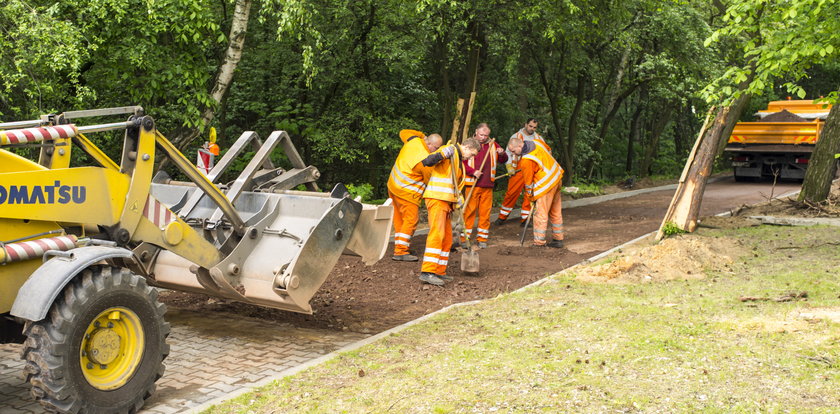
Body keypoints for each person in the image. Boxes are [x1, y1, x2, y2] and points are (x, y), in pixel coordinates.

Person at [418, 138, 480, 286]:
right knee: (437, 235)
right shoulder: (449, 151)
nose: (471, 158)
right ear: (465, 147)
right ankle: (427, 272)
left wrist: (458, 198)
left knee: (446, 238)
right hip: (437, 199)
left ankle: (439, 270)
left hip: (447, 202)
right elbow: (427, 161)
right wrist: (442, 154)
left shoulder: (458, 162)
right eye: (471, 154)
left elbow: (453, 184)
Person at [387, 130, 443, 261]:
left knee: (400, 219)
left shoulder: (414, 140)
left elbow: (403, 132)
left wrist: (421, 135)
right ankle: (401, 252)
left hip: (393, 186)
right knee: (411, 220)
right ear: (428, 143)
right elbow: (429, 181)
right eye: (436, 148)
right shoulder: (425, 161)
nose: (436, 151)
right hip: (407, 192)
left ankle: (400, 246)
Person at [507, 135, 564, 248]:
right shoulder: (537, 142)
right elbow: (549, 150)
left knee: (540, 213)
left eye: (513, 151)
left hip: (546, 185)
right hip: (557, 178)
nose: (514, 154)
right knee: (555, 211)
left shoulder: (526, 160)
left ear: (519, 145)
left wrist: (530, 197)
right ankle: (558, 239)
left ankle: (539, 242)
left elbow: (528, 183)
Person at [495, 118, 552, 226]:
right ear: (525, 124)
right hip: (517, 170)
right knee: (511, 193)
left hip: (531, 169)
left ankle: (525, 219)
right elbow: (508, 152)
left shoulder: (538, 138)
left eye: (534, 127)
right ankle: (502, 217)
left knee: (529, 194)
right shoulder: (516, 136)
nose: (532, 129)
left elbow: (547, 152)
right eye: (530, 126)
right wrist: (509, 167)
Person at [461, 123, 507, 249]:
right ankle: (465, 239)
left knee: (485, 214)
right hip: (472, 184)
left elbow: (503, 160)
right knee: (469, 212)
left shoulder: (493, 144)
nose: (483, 137)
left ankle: (482, 239)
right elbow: (461, 162)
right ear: (476, 132)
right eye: (481, 135)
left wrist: (502, 153)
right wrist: (472, 171)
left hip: (488, 184)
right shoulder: (468, 144)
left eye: (486, 135)